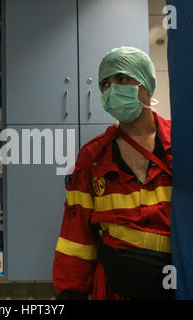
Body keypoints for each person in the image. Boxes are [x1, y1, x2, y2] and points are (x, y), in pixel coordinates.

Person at [53, 47, 173, 300]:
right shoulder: (93, 157)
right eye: (104, 84)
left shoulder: (182, 144)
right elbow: (76, 236)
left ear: (146, 84)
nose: (111, 90)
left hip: (175, 283)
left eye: (121, 79)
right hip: (115, 287)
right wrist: (71, 294)